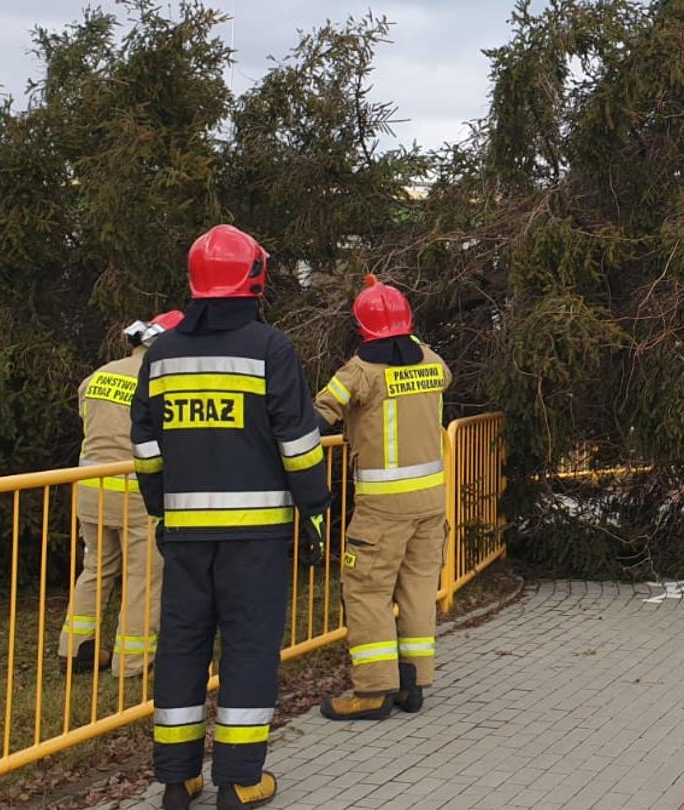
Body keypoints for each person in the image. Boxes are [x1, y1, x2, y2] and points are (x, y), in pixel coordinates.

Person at [133, 225, 330, 810]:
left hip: (187, 535)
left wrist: (162, 514)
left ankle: (177, 779)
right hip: (257, 537)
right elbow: (299, 443)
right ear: (254, 279)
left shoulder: (161, 354)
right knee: (247, 649)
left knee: (182, 647)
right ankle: (239, 780)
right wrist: (315, 514)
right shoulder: (271, 348)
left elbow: (146, 449)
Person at [314, 275, 450, 721]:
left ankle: (373, 691)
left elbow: (317, 416)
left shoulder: (360, 371)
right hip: (431, 501)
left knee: (367, 591)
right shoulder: (431, 360)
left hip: (382, 506)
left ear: (361, 327)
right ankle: (412, 683)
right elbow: (441, 378)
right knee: (416, 590)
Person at [59, 310, 182, 678]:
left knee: (96, 567)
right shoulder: (159, 380)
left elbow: (88, 421)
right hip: (135, 492)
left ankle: (75, 651)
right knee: (143, 575)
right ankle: (131, 662)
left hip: (91, 489)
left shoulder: (98, 376)